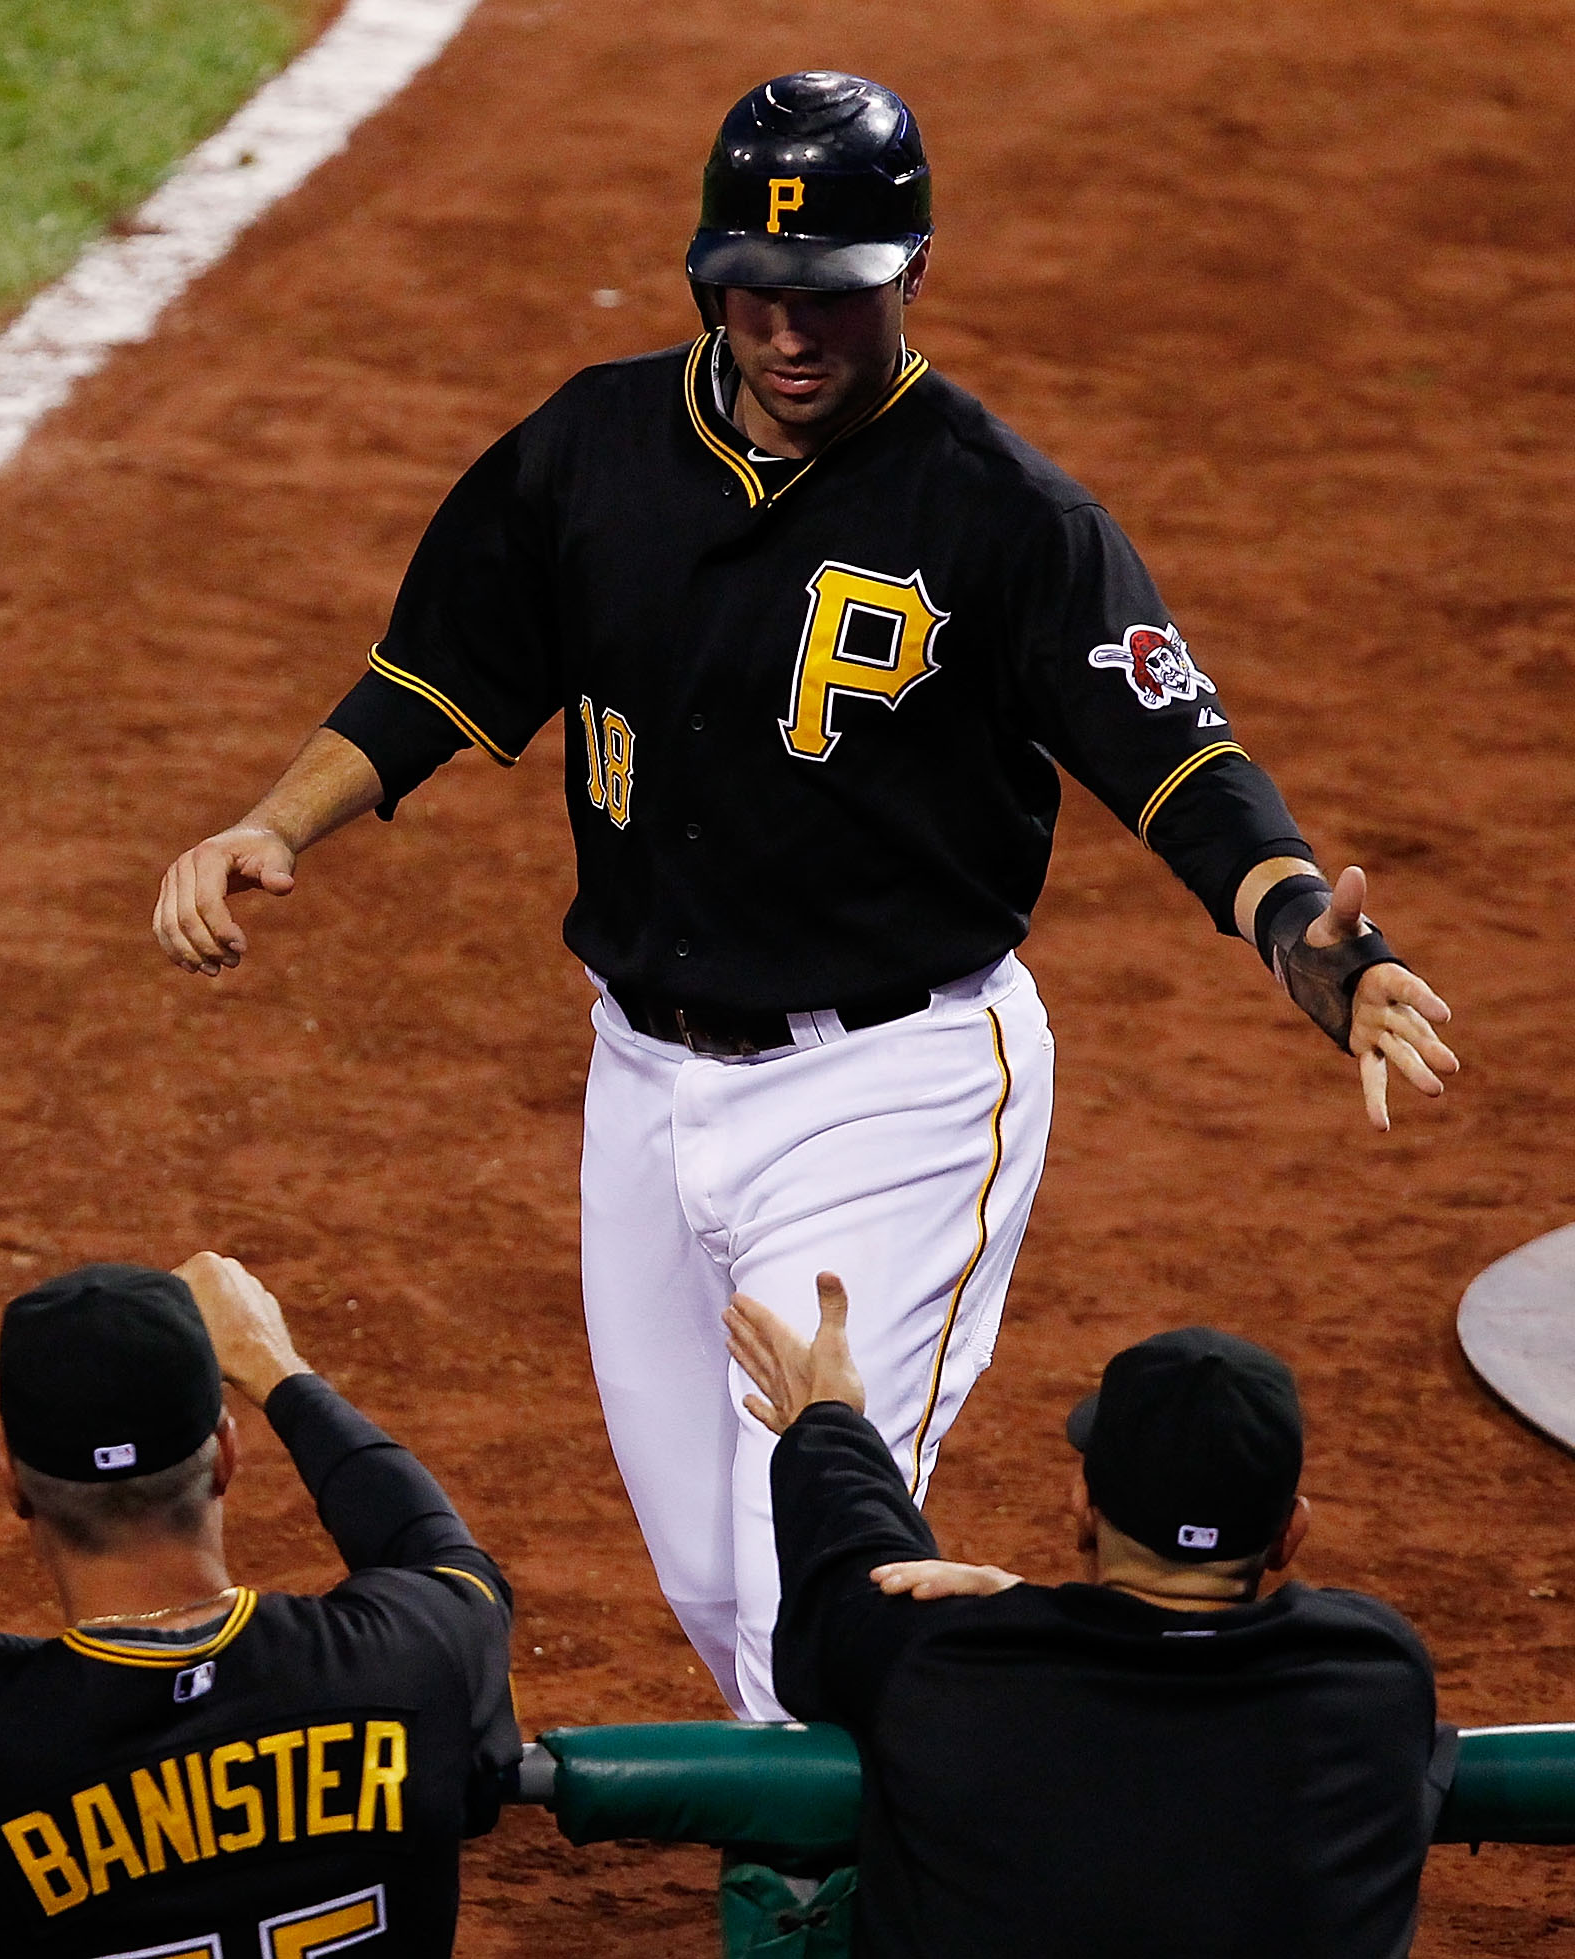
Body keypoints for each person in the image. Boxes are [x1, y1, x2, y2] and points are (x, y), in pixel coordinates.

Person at [148, 68, 1459, 1719]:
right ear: (710, 278)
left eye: (836, 292)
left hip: (891, 1085)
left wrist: (1300, 937)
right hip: (643, 1075)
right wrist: (280, 821)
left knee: (806, 1591)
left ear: (911, 275)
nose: (793, 331)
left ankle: (927, 1868)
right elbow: (437, 667)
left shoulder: (1004, 512)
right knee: (711, 1577)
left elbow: (1179, 760)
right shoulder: (592, 447)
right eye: (759, 290)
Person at [0, 1255, 518, 1957]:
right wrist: (279, 1372)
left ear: (12, 1480)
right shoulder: (413, 1659)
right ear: (227, 1454)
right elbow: (434, 1550)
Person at [724, 1276, 1450, 1957]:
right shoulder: (1376, 1677)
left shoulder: (944, 1666)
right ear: (1290, 1533)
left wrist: (826, 1422)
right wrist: (1031, 1614)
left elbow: (851, 1570)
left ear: (1082, 1505)